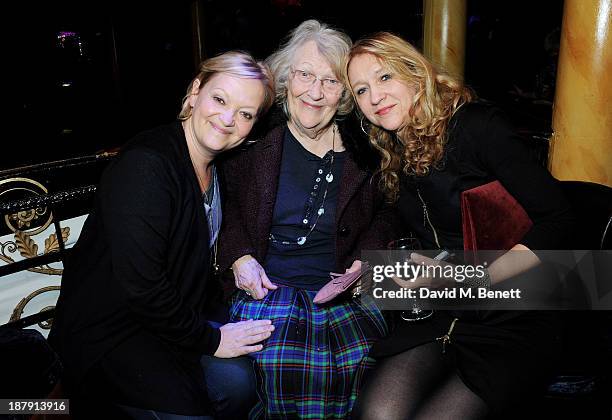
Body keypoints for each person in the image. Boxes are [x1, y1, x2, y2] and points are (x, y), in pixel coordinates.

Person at [345, 32, 573, 418]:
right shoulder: (393, 150)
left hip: (514, 310)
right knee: (379, 412)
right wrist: (376, 268)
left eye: (385, 78)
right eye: (361, 90)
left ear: (416, 74)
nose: (374, 98)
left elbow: (561, 219)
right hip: (442, 308)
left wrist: (470, 279)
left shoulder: (477, 127)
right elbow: (416, 231)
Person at [49, 51, 276, 420]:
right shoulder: (147, 165)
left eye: (246, 114)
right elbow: (143, 288)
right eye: (220, 99)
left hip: (174, 320)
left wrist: (241, 259)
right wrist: (214, 339)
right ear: (194, 93)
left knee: (241, 386)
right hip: (115, 332)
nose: (228, 119)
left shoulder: (216, 166)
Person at [217, 20, 396, 419]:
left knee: (369, 366)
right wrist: (239, 256)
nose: (314, 93)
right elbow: (220, 207)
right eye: (304, 75)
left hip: (343, 293)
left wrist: (370, 259)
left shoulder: (367, 146)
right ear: (285, 77)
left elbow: (389, 211)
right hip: (268, 291)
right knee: (280, 365)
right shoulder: (253, 138)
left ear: (346, 93)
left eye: (330, 82)